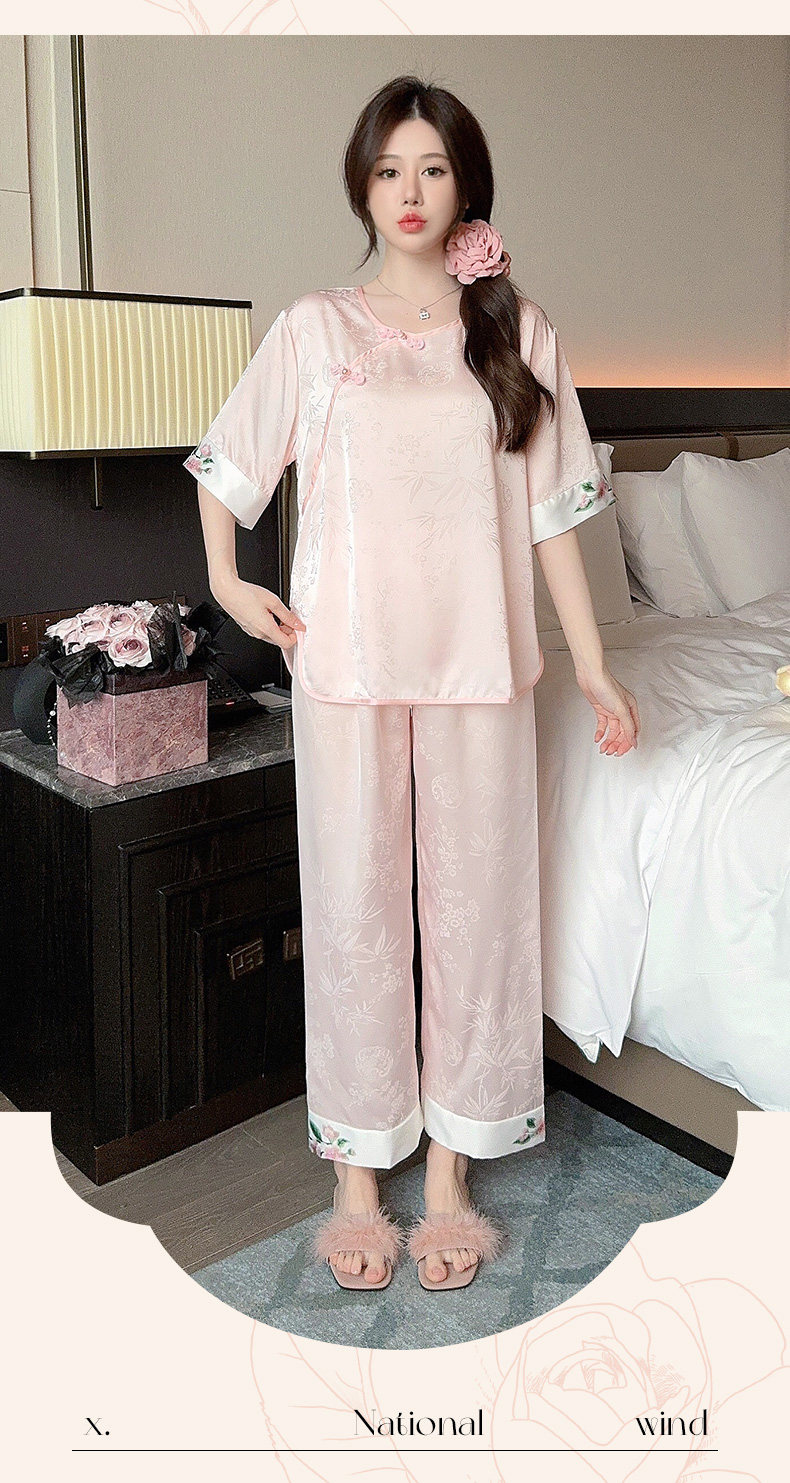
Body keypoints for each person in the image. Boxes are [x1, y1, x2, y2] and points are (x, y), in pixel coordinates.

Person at [185, 74, 640, 1294]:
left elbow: (553, 514)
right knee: (354, 914)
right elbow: (230, 464)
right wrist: (228, 582)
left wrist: (597, 665)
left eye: (433, 169)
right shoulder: (313, 329)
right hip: (343, 665)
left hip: (480, 668)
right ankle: (356, 1166)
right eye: (390, 169)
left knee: (480, 915)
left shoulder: (517, 330)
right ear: (362, 183)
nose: (410, 191)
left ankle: (448, 1166)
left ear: (466, 187)